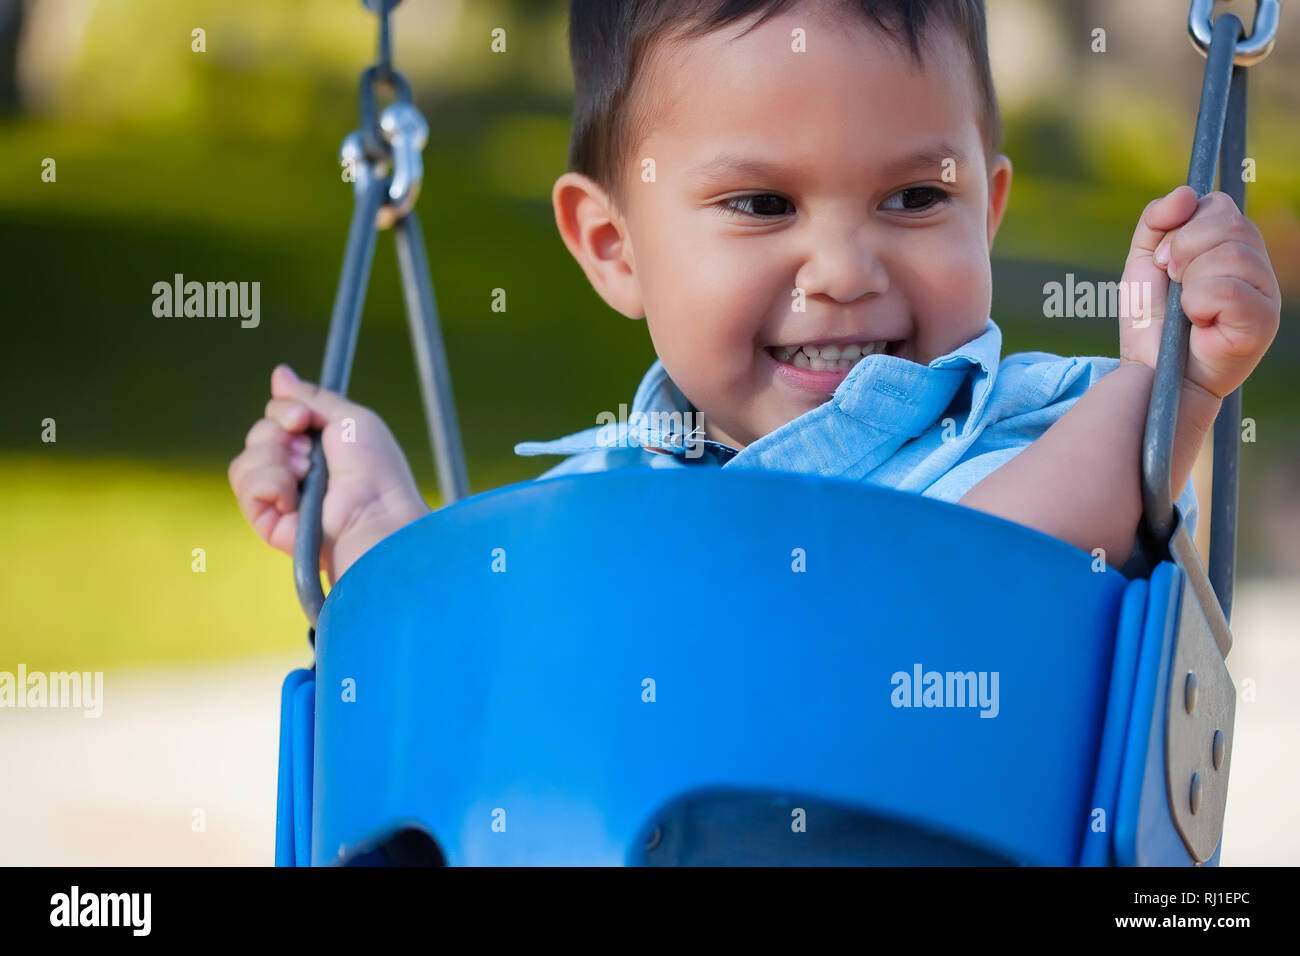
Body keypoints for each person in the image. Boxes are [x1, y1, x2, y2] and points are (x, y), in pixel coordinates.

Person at [228, 0, 1280, 587]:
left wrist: (1167, 387)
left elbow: (993, 559)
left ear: (988, 209)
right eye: (762, 204)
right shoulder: (593, 500)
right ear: (614, 246)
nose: (843, 270)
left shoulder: (1037, 435)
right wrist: (374, 524)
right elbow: (484, 676)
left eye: (914, 196)